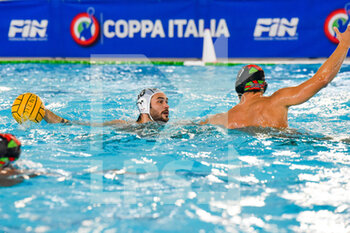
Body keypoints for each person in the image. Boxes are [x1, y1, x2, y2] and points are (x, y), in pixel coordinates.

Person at [201, 25, 350, 129]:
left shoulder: (219, 119)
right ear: (263, 86)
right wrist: (344, 44)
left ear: (239, 88)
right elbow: (322, 79)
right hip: (283, 144)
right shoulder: (277, 100)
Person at [44, 88, 170, 125]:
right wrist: (57, 119)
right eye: (160, 101)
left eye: (166, 101)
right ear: (144, 106)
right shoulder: (124, 126)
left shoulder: (171, 129)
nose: (167, 106)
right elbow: (85, 126)